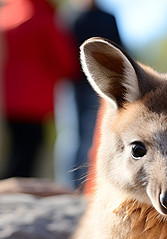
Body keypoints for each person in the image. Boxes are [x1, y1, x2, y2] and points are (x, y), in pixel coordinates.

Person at [0, 0, 78, 179]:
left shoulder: (7, 14)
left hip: (7, 97)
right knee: (26, 153)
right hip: (34, 100)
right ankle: (11, 194)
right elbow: (65, 61)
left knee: (16, 150)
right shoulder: (42, 16)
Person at [69, 0, 123, 188]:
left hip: (102, 87)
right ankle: (72, 184)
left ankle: (90, 185)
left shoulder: (107, 18)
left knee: (94, 134)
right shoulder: (72, 18)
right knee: (73, 136)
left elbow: (120, 49)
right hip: (74, 85)